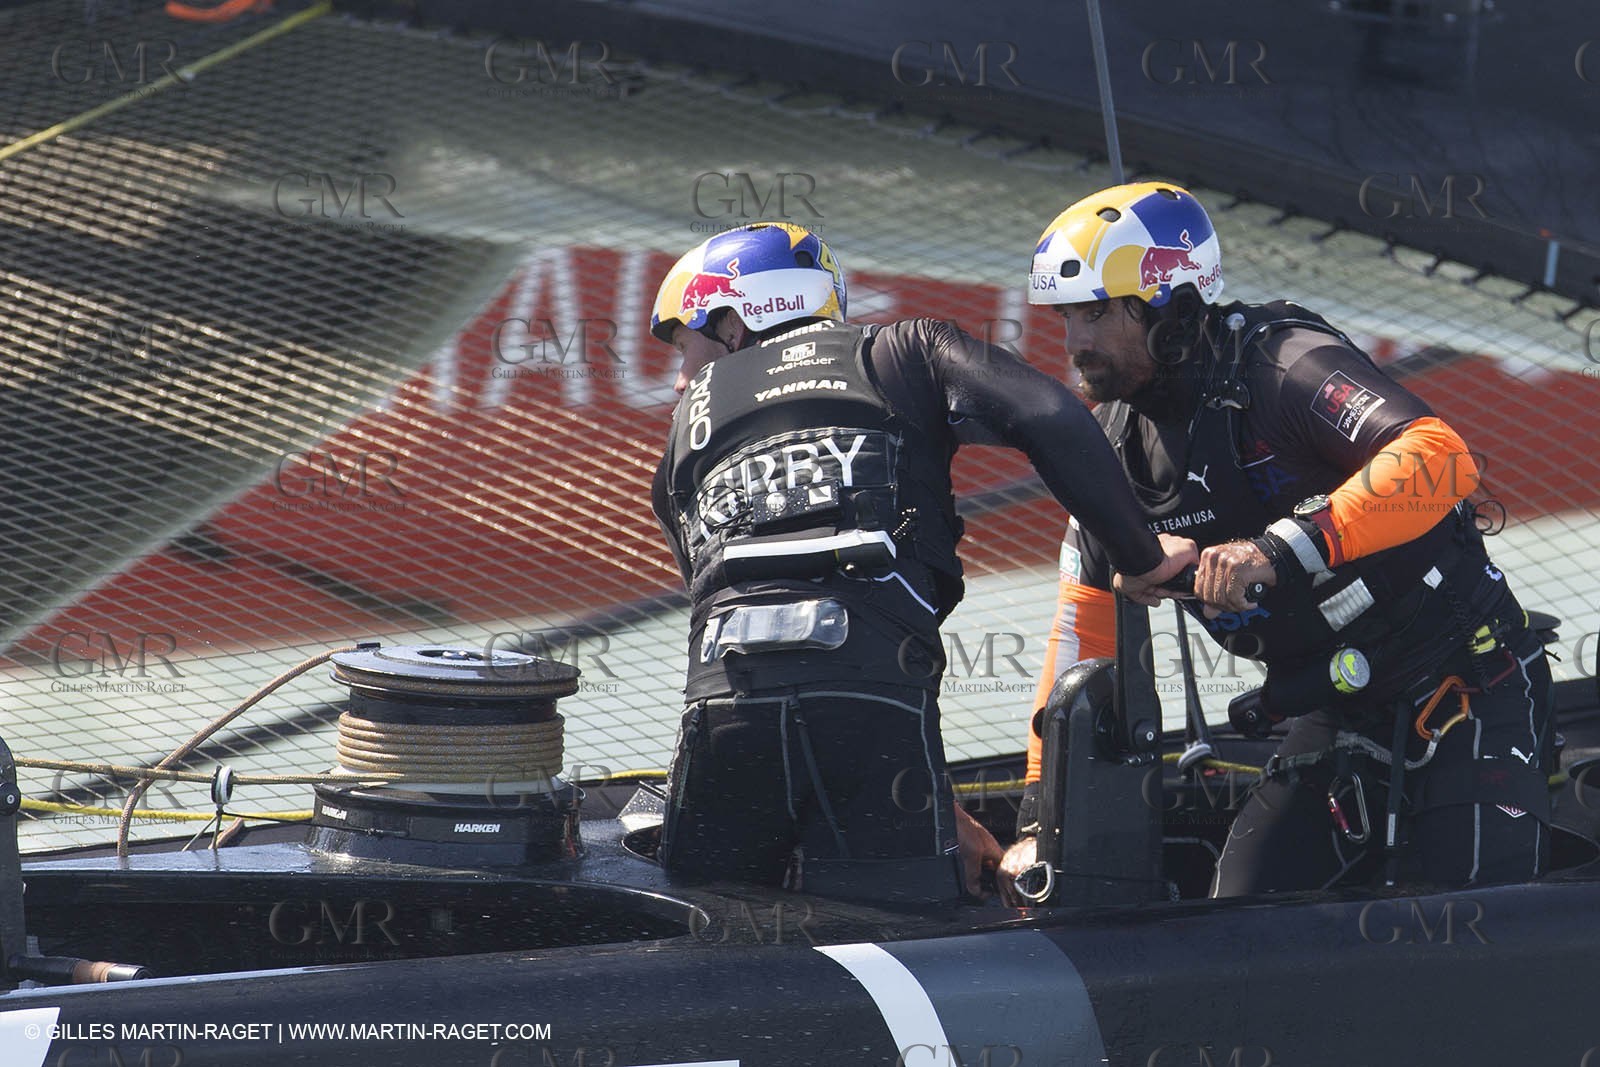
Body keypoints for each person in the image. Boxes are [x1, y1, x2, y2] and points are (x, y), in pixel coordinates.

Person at [1000, 181, 1554, 900]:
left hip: (1469, 681)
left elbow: (1440, 458)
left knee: (1474, 916)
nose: (1076, 342)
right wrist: (1040, 815)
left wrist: (1280, 549)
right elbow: (1081, 636)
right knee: (1243, 915)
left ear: (1171, 306)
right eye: (1067, 316)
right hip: (1335, 709)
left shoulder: (1282, 364)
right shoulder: (1106, 451)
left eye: (1097, 312)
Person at [647, 221, 1196, 904]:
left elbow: (720, 601)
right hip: (873, 712)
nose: (677, 379)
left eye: (684, 346)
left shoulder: (682, 434)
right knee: (903, 943)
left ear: (734, 323)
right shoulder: (904, 349)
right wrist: (1140, 554)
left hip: (719, 715)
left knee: (707, 941)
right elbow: (1052, 413)